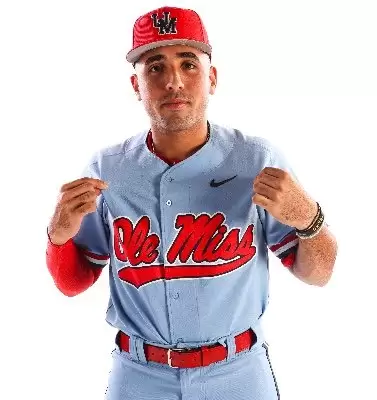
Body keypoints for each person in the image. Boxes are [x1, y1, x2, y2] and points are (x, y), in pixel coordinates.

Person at [46, 6, 338, 400]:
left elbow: (318, 275)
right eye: (155, 67)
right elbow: (74, 282)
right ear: (136, 85)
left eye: (188, 64)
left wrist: (309, 219)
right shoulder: (107, 169)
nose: (173, 81)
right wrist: (58, 237)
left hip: (238, 374)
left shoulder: (256, 160)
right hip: (138, 375)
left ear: (212, 78)